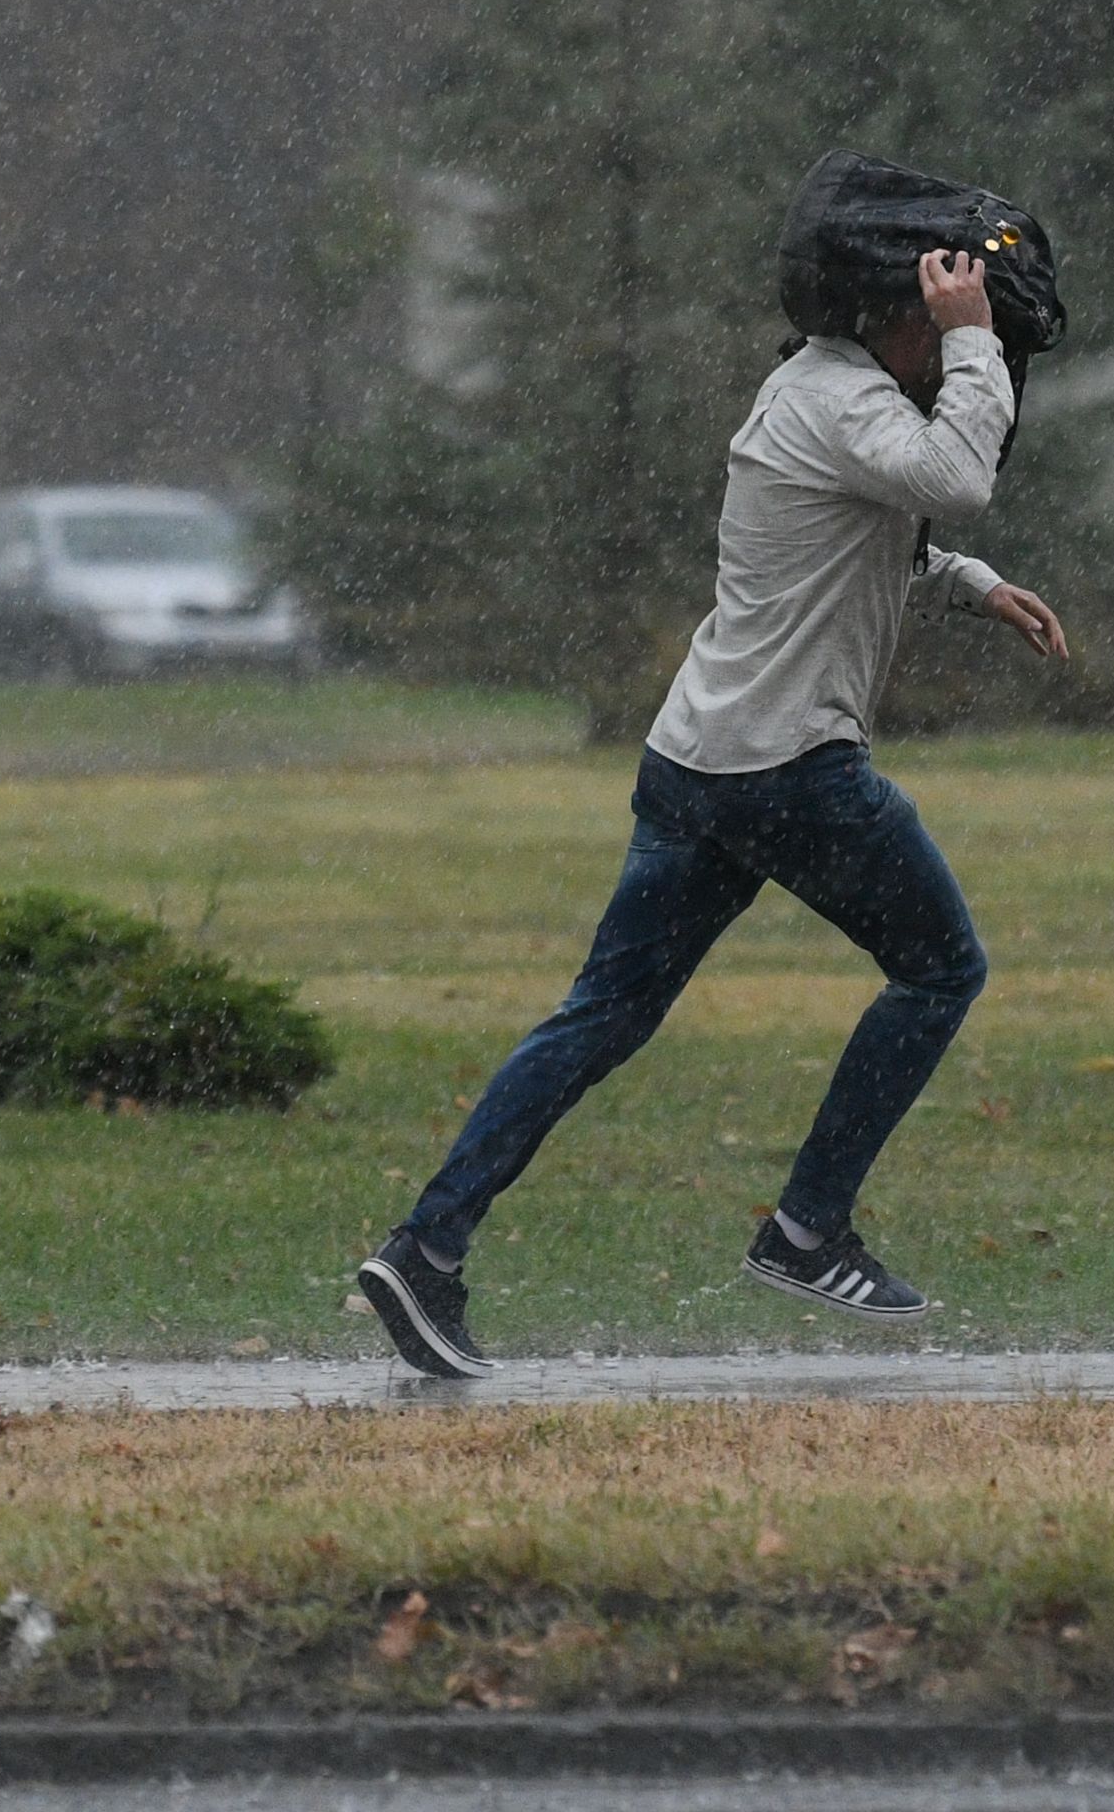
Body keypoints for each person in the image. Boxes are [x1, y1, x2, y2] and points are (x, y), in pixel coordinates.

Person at [356, 247, 1068, 1376]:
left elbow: (862, 543)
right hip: (792, 770)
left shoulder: (816, 392)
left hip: (695, 761)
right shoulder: (847, 401)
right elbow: (956, 479)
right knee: (941, 970)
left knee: (600, 1015)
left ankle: (425, 1247)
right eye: (938, 334)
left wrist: (971, 584)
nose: (954, 362)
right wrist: (974, 330)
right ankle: (806, 1232)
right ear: (902, 319)